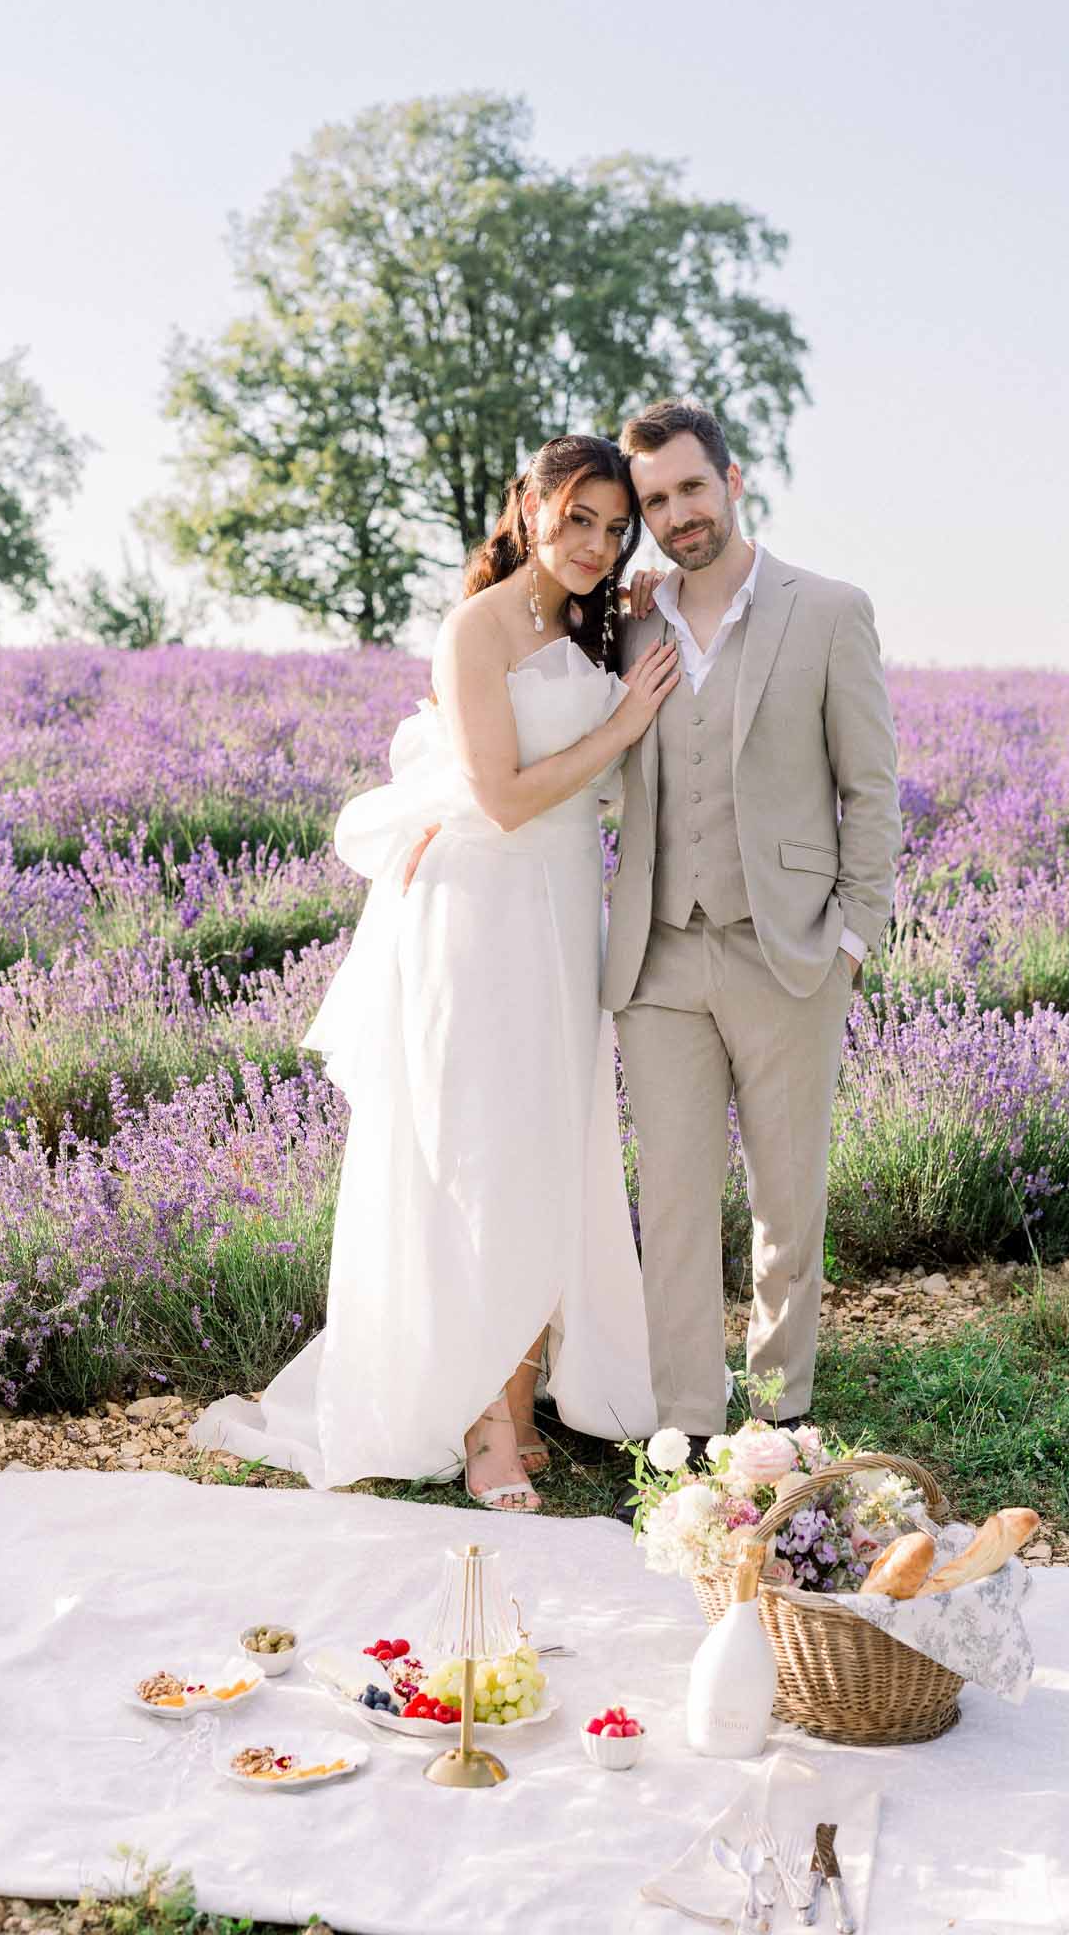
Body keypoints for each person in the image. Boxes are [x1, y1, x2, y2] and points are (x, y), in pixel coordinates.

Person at [191, 435, 677, 1510]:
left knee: (548, 1142)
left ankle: (520, 1378)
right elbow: (501, 795)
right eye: (579, 518)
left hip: (561, 910)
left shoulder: (596, 619)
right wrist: (627, 721)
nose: (596, 543)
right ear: (530, 505)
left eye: (614, 524)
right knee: (480, 1149)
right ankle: (480, 1422)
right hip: (481, 910)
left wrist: (644, 612)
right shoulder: (477, 627)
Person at [608, 400, 901, 1461]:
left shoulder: (827, 609)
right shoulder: (628, 622)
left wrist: (854, 937)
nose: (676, 512)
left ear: (733, 480)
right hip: (657, 956)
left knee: (787, 1196)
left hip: (790, 948)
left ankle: (780, 1417)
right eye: (654, 501)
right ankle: (684, 1421)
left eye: (690, 487)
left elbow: (871, 788)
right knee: (676, 1201)